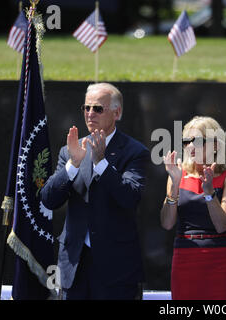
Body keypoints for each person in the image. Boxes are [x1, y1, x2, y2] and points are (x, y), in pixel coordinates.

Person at [41, 83, 149, 300]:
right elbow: (49, 199)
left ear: (116, 113)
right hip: (74, 265)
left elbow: (130, 197)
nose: (90, 114)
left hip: (115, 269)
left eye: (98, 108)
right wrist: (72, 164)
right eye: (86, 108)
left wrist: (102, 164)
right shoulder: (71, 150)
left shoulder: (135, 151)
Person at [160, 116, 226, 300]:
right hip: (185, 255)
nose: (190, 146)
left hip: (220, 257)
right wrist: (174, 185)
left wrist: (209, 192)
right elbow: (166, 223)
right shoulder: (179, 174)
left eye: (196, 141)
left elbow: (222, 225)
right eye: (186, 141)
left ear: (215, 145)